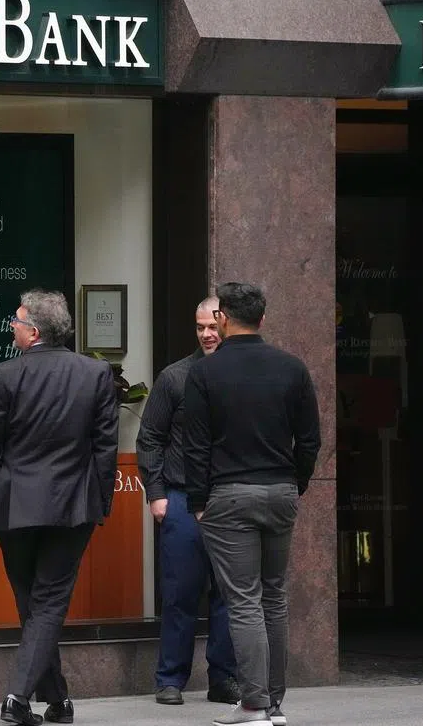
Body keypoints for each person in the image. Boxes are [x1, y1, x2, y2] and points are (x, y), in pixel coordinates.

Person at [0, 290, 119, 726]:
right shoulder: (94, 373)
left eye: (16, 322)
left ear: (34, 331)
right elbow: (105, 448)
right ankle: (47, 698)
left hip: (13, 505)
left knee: (35, 602)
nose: (12, 328)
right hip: (70, 505)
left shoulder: (2, 375)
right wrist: (99, 503)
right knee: (47, 602)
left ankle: (24, 697)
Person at [184, 282, 321, 726]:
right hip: (279, 490)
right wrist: (294, 483)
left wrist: (199, 501)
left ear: (222, 318)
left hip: (228, 495)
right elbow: (310, 440)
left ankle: (256, 703)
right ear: (262, 319)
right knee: (274, 598)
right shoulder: (292, 368)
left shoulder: (204, 374)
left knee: (243, 601)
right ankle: (273, 704)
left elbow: (196, 446)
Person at [137, 296, 240, 707]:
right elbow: (150, 439)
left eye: (213, 326)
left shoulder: (240, 376)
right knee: (179, 594)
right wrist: (157, 494)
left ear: (228, 324)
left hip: (230, 500)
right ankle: (170, 679)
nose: (207, 334)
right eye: (200, 327)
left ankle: (223, 679)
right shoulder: (174, 378)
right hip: (180, 500)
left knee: (229, 596)